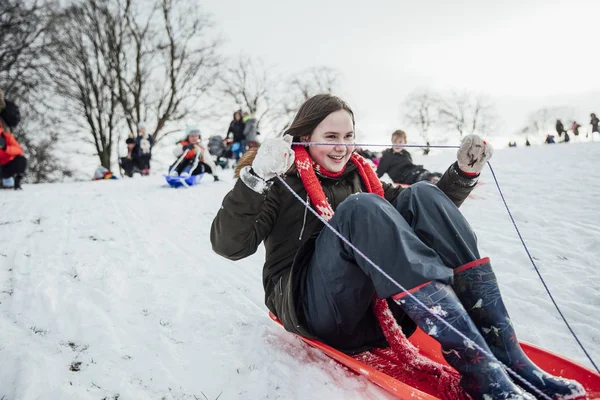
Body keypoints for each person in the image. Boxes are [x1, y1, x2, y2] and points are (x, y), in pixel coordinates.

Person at [210, 94, 584, 400]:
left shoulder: (364, 179)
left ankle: (504, 357)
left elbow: (423, 216)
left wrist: (463, 174)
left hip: (378, 315)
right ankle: (481, 367)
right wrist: (258, 178)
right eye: (331, 137)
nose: (342, 147)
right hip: (312, 310)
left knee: (420, 195)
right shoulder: (281, 180)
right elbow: (230, 246)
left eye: (348, 136)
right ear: (306, 135)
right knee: (362, 208)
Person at [376, 130, 442, 184]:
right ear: (392, 142)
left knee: (432, 173)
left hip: (414, 172)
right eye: (395, 141)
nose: (397, 144)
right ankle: (434, 181)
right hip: (403, 177)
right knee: (422, 176)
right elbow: (379, 172)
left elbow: (411, 166)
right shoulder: (388, 155)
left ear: (405, 142)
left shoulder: (406, 154)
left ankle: (440, 179)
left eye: (400, 142)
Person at [0, 91, 27, 190]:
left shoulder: (5, 135)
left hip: (5, 164)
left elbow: (19, 150)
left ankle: (13, 180)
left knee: (21, 160)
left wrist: (5, 147)